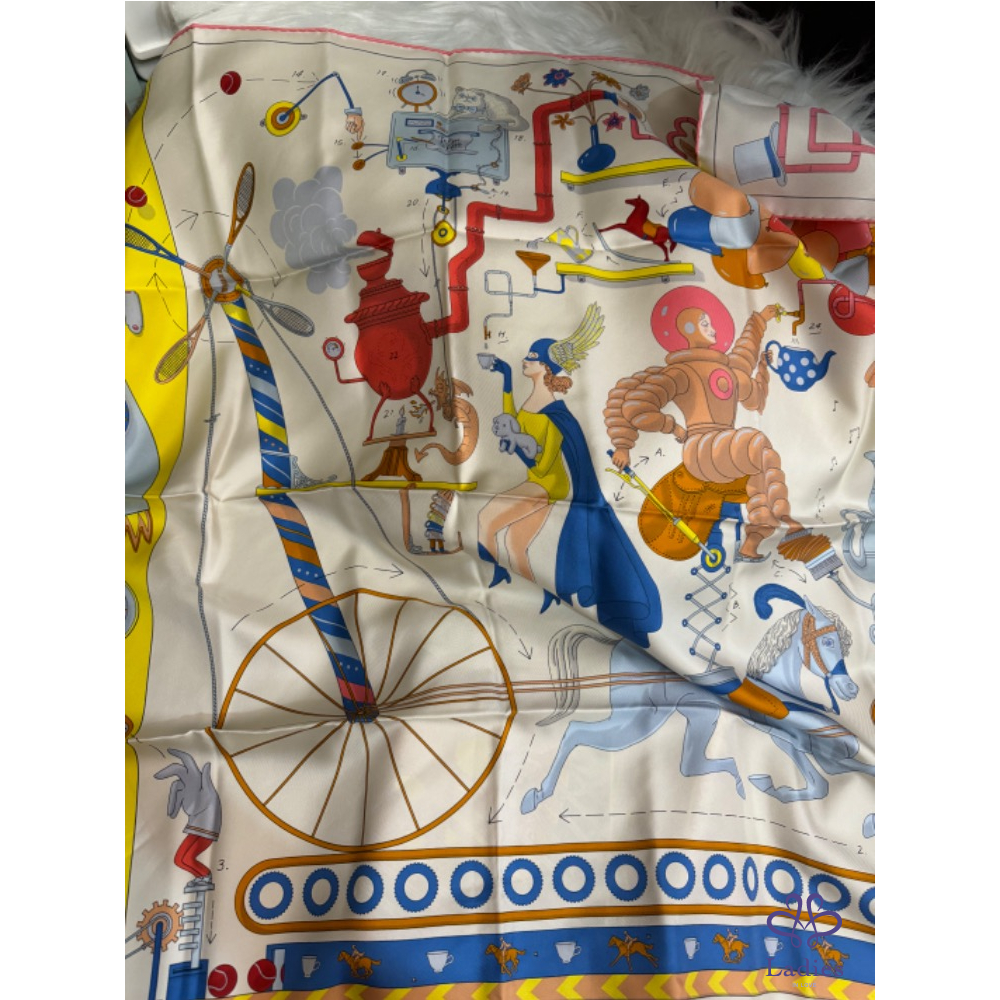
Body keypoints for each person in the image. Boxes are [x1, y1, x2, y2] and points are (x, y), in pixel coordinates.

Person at [477, 306, 662, 648]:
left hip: (550, 484)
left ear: (545, 368)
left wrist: (517, 441)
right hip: (539, 480)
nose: (526, 360)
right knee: (517, 545)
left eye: (532, 358)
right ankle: (536, 605)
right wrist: (505, 376)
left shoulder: (556, 415)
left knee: (487, 520)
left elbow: (542, 464)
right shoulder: (530, 404)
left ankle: (490, 578)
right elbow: (511, 420)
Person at [605, 294, 827, 564]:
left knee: (759, 470)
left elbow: (744, 353)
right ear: (689, 330)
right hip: (701, 448)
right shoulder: (681, 372)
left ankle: (752, 543)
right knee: (756, 443)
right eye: (704, 324)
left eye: (711, 323)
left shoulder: (727, 370)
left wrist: (760, 323)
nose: (712, 329)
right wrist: (647, 436)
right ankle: (786, 519)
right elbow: (632, 402)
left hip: (727, 448)